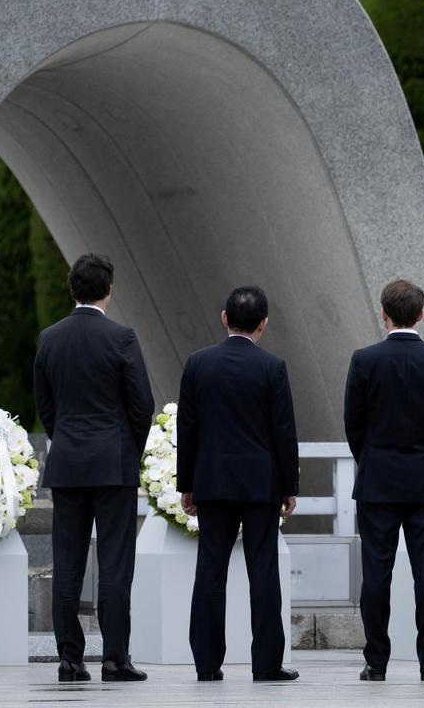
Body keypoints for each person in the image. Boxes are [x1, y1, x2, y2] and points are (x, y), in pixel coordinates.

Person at [33, 253, 154, 683]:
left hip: (67, 463)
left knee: (67, 562)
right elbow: (142, 404)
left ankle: (69, 658)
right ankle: (115, 659)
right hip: (113, 463)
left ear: (72, 289)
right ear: (109, 290)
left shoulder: (50, 338)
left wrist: (64, 436)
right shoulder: (121, 337)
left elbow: (45, 404)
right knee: (116, 562)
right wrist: (128, 448)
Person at [178, 286, 300, 683]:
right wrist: (288, 486)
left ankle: (207, 663)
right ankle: (266, 663)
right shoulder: (272, 366)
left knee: (210, 571)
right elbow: (283, 431)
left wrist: (187, 484)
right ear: (264, 324)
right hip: (260, 484)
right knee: (263, 571)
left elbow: (188, 428)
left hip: (212, 481)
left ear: (224, 317)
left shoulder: (198, 364)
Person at [344, 279, 424, 682]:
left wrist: (372, 460)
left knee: (376, 573)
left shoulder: (364, 359)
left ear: (384, 313)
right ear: (422, 313)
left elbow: (353, 424)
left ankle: (376, 661)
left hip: (377, 482)